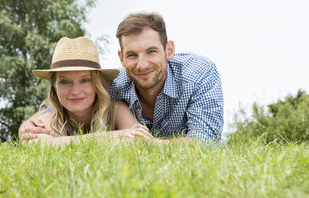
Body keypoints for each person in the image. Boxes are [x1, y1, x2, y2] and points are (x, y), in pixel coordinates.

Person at [20, 12, 224, 144]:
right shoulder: (113, 87)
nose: (142, 64)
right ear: (121, 58)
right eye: (132, 55)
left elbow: (206, 142)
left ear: (168, 50)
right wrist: (27, 127)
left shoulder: (198, 74)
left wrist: (152, 144)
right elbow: (64, 104)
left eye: (151, 51)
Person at [21, 36, 152, 146]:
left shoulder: (115, 109)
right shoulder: (51, 118)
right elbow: (37, 145)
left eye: (85, 80)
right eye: (65, 82)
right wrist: (116, 136)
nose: (76, 91)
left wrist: (58, 142)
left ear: (97, 84)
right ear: (55, 87)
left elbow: (140, 139)